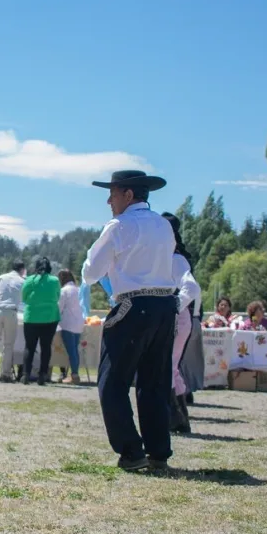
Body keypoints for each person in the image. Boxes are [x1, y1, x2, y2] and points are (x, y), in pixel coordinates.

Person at [82, 170, 177, 472]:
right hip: (165, 306)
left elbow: (90, 272)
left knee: (112, 382)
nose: (109, 200)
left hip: (134, 305)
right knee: (155, 383)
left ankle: (131, 451)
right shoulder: (163, 225)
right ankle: (158, 452)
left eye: (113, 193)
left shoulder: (120, 226)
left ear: (128, 195)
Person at [163, 212, 200, 435]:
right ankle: (179, 419)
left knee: (167, 366)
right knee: (170, 367)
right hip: (175, 316)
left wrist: (174, 305)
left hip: (176, 317)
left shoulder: (175, 259)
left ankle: (175, 418)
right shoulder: (170, 257)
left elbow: (192, 288)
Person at [20, 257, 61, 385]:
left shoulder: (29, 280)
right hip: (50, 317)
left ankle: (25, 374)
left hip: (31, 317)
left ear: (36, 267)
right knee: (46, 347)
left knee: (29, 347)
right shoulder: (55, 280)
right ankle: (42, 375)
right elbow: (57, 296)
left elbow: (24, 298)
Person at [57, 269, 85, 385]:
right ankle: (74, 373)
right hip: (78, 324)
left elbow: (59, 308)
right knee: (75, 351)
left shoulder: (64, 291)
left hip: (68, 324)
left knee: (71, 351)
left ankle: (74, 375)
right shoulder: (78, 290)